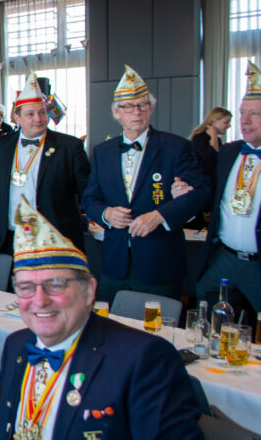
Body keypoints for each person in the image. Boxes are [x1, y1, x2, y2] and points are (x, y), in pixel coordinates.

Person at [0, 196, 208, 440]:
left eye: (55, 284)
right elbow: (15, 433)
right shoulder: (18, 346)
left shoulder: (144, 359)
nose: (39, 300)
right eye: (25, 287)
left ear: (89, 290)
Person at [81, 66, 211, 302]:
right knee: (111, 322)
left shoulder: (176, 147)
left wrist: (159, 216)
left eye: (143, 105)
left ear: (151, 109)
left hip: (159, 262)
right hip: (114, 263)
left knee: (158, 323)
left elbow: (201, 192)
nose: (137, 112)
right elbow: (89, 199)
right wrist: (106, 213)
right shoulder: (102, 152)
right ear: (116, 113)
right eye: (128, 107)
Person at [0, 72, 91, 254]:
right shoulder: (3, 145)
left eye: (42, 112)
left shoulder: (70, 147)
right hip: (11, 237)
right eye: (30, 114)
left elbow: (88, 192)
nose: (38, 119)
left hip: (54, 240)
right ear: (17, 118)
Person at [197, 62, 261, 313]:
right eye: (242, 113)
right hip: (224, 258)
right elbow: (210, 191)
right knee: (207, 304)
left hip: (257, 264)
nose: (245, 120)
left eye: (254, 114)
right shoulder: (228, 152)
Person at [189, 106, 232, 179]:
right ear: (214, 121)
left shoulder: (218, 140)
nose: (229, 126)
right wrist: (214, 136)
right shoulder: (199, 138)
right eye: (226, 122)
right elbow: (209, 160)